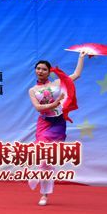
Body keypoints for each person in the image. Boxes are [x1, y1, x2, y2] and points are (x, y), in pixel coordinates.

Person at [28, 51, 87, 206]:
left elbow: (76, 74)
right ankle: (37, 177)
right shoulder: (32, 90)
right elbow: (38, 107)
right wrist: (54, 104)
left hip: (58, 123)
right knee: (41, 155)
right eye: (38, 68)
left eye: (44, 69)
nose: (40, 71)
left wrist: (81, 57)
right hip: (44, 123)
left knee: (48, 160)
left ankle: (44, 195)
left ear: (49, 72)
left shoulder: (57, 84)